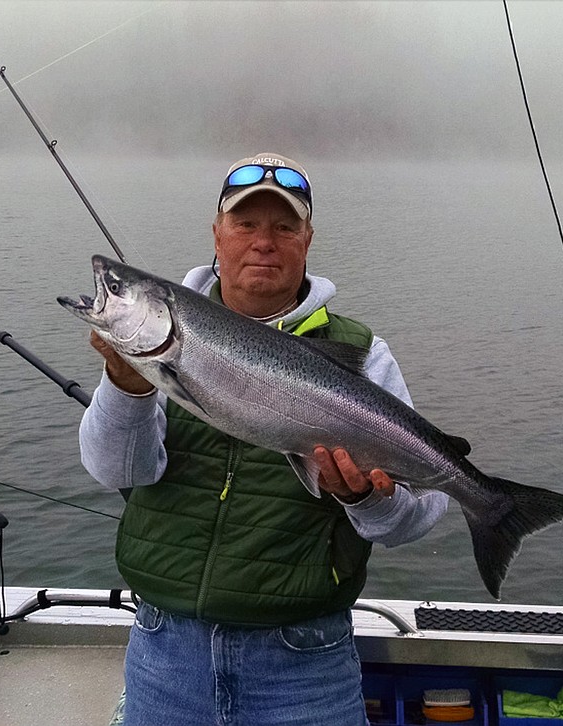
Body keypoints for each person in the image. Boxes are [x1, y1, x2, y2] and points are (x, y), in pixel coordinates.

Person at [79, 152, 449, 726]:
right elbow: (117, 472)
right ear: (217, 234)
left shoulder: (362, 354)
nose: (263, 242)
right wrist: (126, 390)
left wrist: (363, 499)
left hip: (305, 666)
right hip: (165, 654)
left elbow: (419, 515)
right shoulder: (153, 357)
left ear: (307, 239)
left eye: (284, 226)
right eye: (246, 223)